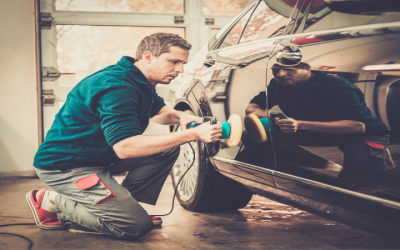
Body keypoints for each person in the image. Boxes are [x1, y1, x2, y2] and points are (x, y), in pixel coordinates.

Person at [26, 33, 222, 240]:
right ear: (148, 57)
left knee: (166, 149)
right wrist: (191, 134)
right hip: (66, 167)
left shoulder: (139, 79)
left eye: (183, 63)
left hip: (99, 158)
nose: (180, 70)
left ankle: (126, 207)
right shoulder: (117, 87)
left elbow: (160, 113)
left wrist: (181, 116)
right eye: (174, 61)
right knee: (134, 226)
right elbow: (125, 148)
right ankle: (51, 200)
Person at [244, 62, 393, 192]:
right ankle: (325, 165)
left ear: (309, 67)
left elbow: (356, 126)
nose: (280, 74)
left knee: (357, 187)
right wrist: (254, 110)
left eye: (289, 69)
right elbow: (257, 102)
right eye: (275, 69)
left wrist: (300, 124)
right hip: (315, 130)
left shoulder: (338, 87)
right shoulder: (279, 83)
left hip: (361, 133)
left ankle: (375, 151)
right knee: (251, 136)